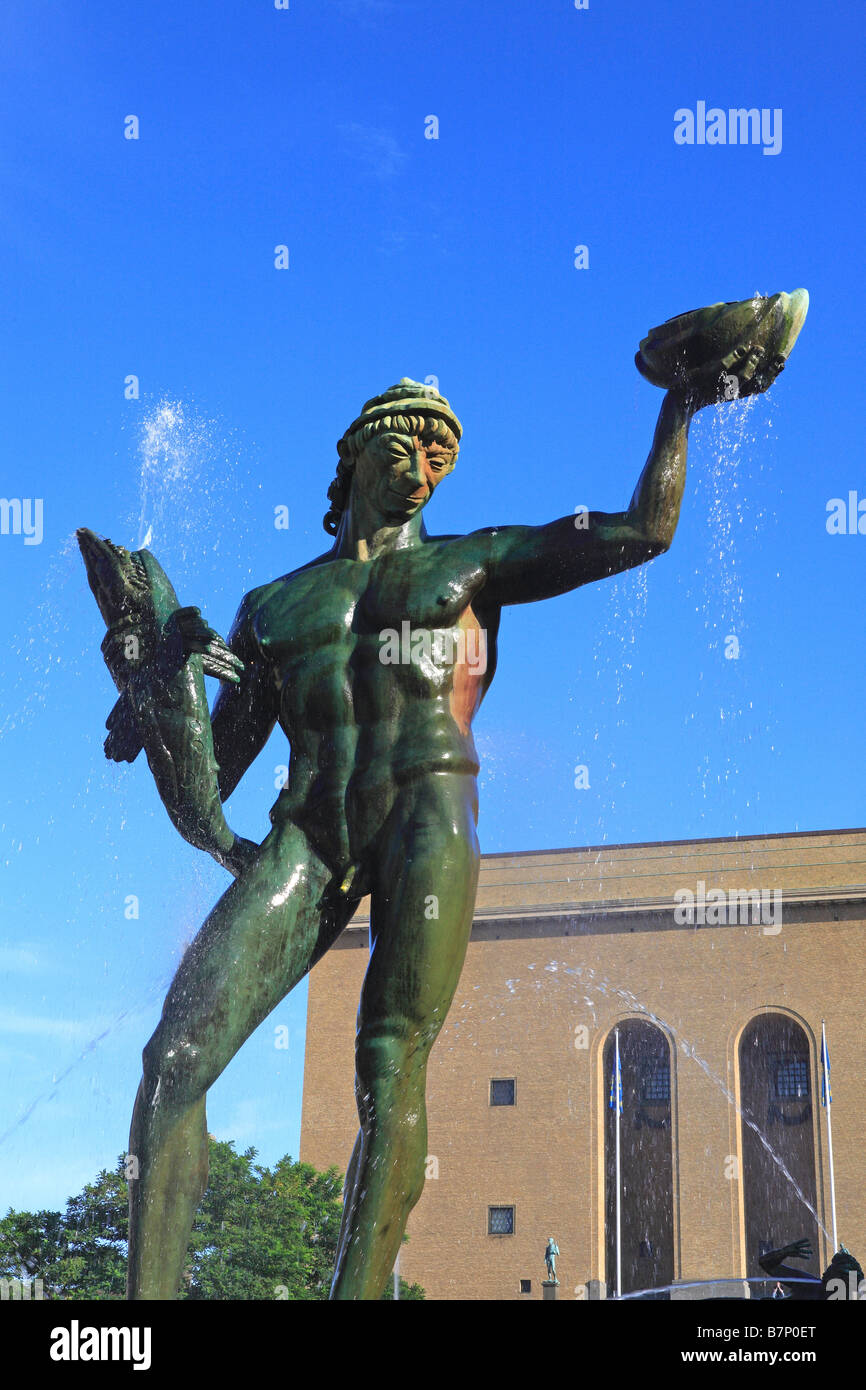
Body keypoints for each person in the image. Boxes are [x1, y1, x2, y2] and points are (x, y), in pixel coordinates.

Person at [122, 368, 760, 1300]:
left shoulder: (475, 559)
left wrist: (682, 404)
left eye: (442, 452)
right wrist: (160, 685)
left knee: (388, 1059)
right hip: (309, 831)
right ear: (355, 452)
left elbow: (642, 532)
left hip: (428, 807)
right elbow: (206, 781)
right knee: (171, 1061)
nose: (427, 462)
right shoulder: (270, 607)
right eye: (407, 442)